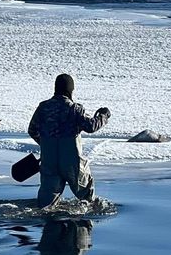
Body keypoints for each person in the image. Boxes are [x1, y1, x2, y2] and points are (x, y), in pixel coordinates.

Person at [28, 74, 110, 207]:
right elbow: (91, 126)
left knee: (46, 206)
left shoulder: (43, 108)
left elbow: (32, 130)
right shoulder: (74, 109)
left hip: (49, 161)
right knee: (89, 202)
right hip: (72, 163)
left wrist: (46, 145)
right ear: (70, 90)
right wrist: (103, 116)